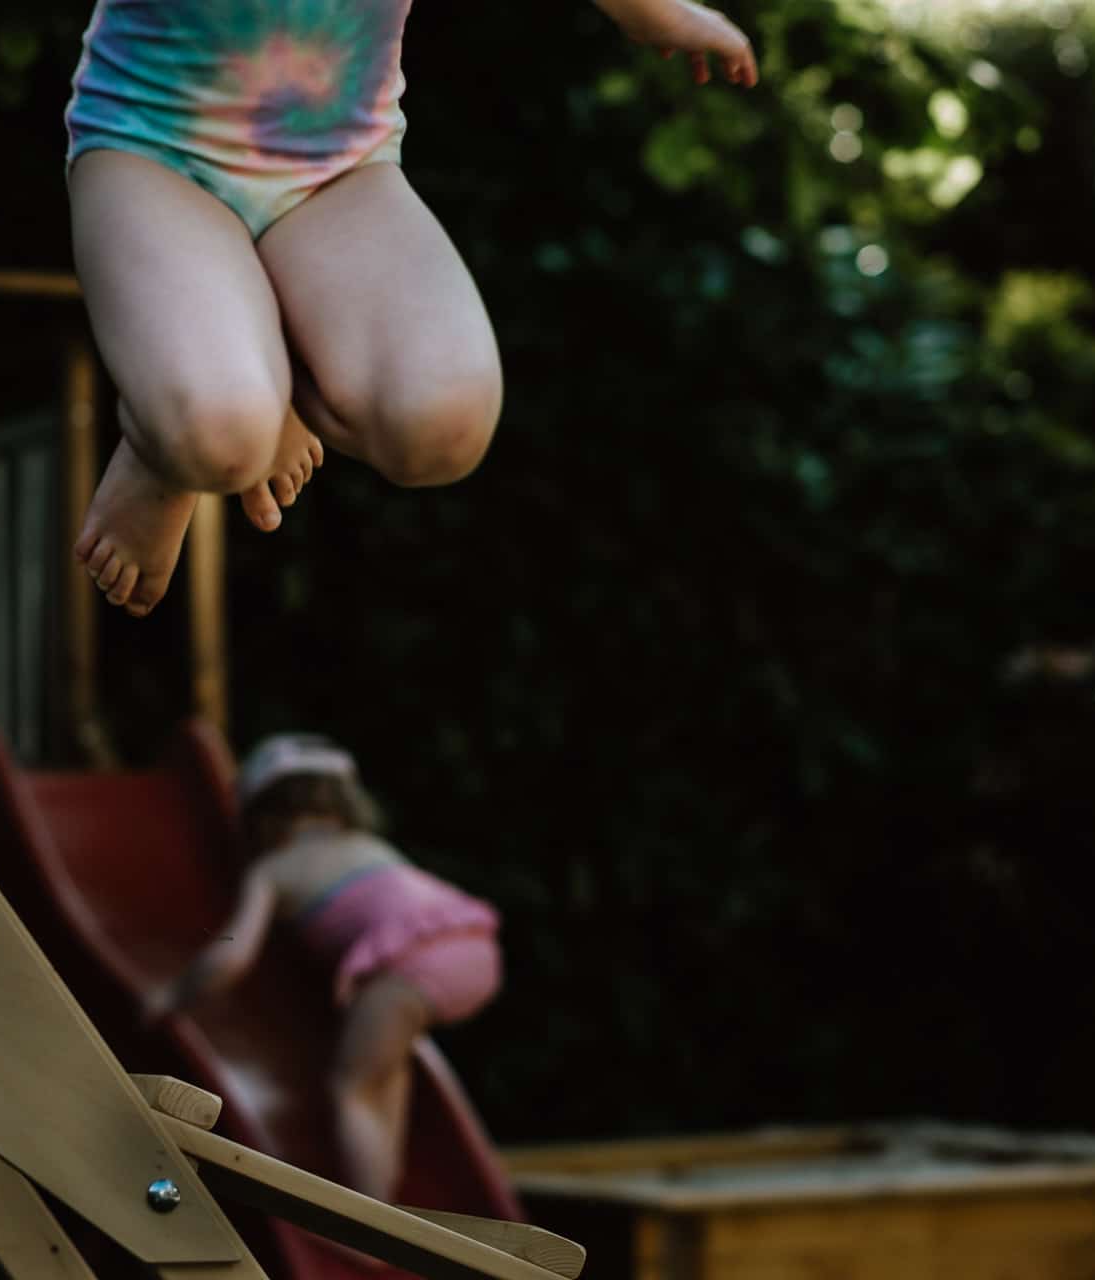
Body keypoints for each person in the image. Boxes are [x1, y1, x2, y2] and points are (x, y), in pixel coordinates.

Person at [66, 0, 759, 616]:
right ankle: (166, 450)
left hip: (335, 172)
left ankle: (272, 360)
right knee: (218, 437)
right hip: (154, 149)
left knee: (445, 426)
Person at [144, 733, 503, 1201]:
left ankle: (372, 1220)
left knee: (351, 1088)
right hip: (476, 949)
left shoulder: (274, 867)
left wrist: (171, 995)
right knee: (385, 1075)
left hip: (411, 964)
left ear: (261, 816)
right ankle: (391, 1199)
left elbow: (232, 953)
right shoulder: (367, 844)